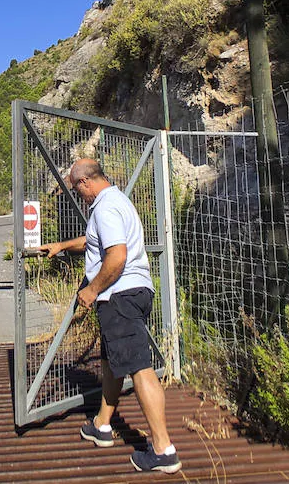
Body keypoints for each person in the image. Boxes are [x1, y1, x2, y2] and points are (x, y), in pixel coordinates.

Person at [39, 158, 181, 475]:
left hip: (119, 295)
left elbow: (116, 255)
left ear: (85, 182)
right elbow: (95, 241)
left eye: (78, 190)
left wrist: (92, 290)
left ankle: (163, 449)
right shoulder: (116, 202)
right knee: (112, 360)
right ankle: (102, 424)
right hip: (134, 291)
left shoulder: (105, 208)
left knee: (140, 367)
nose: (80, 196)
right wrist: (62, 245)